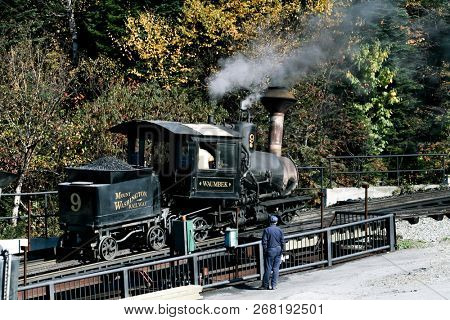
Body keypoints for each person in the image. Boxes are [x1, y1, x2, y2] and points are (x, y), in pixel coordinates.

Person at [260, 215, 285, 290]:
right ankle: (274, 285)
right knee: (276, 268)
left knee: (268, 268)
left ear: (269, 222)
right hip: (278, 249)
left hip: (270, 250)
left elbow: (264, 242)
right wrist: (283, 250)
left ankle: (265, 285)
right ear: (276, 222)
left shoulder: (267, 230)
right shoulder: (280, 230)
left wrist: (265, 251)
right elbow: (282, 241)